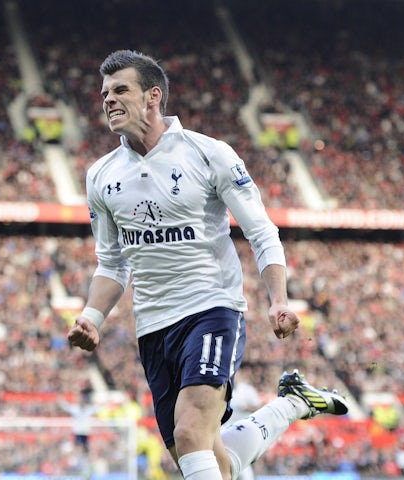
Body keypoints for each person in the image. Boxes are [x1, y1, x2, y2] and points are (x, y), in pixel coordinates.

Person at [67, 49, 348, 480]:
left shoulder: (208, 153)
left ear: (153, 97)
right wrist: (91, 316)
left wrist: (278, 299)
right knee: (207, 458)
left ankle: (290, 403)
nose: (108, 99)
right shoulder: (101, 175)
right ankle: (293, 404)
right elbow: (112, 262)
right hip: (153, 327)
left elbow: (261, 230)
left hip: (211, 308)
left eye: (120, 89)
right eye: (104, 92)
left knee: (192, 428)